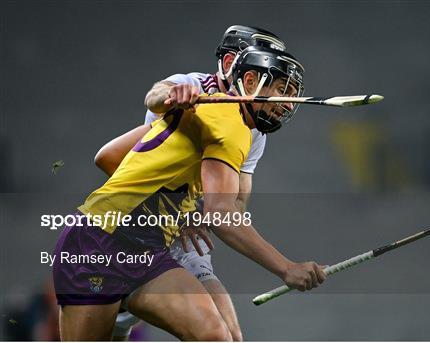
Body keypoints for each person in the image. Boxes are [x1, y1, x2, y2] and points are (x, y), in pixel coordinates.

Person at [53, 45, 326, 341]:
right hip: (97, 243)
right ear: (249, 82)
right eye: (282, 90)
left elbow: (110, 155)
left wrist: (175, 208)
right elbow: (222, 215)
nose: (287, 104)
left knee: (215, 336)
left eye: (292, 94)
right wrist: (286, 268)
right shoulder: (229, 124)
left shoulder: (217, 116)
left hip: (149, 252)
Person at [95, 25, 288, 341]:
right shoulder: (192, 86)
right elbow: (152, 101)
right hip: (134, 229)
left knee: (228, 336)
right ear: (230, 63)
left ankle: (125, 310)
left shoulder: (254, 131)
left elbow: (236, 203)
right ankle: (123, 309)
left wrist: (200, 214)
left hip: (184, 238)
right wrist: (172, 96)